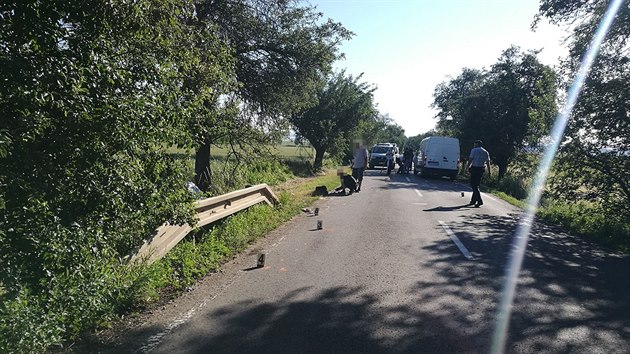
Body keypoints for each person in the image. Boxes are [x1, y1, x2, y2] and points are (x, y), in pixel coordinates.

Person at [466, 140, 491, 207]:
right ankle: (473, 201)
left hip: (475, 168)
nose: (474, 145)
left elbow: (470, 159)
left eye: (475, 144)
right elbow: (488, 162)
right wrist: (489, 171)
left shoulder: (474, 150)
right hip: (481, 169)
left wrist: (467, 167)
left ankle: (479, 201)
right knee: (476, 184)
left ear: (477, 144)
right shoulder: (485, 152)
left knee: (473, 185)